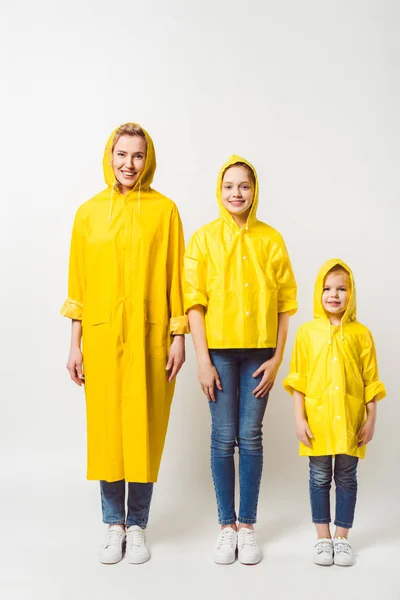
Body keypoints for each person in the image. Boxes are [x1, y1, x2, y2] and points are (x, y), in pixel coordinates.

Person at [61, 122, 188, 564]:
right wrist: (75, 344)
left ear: (147, 158)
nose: (129, 164)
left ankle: (138, 527)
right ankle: (112, 524)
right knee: (109, 432)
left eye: (137, 155)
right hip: (100, 338)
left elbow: (177, 278)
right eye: (121, 155)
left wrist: (178, 336)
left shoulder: (165, 211)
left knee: (145, 430)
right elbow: (78, 284)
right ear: (109, 155)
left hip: (149, 337)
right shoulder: (87, 213)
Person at [184, 155, 297, 564]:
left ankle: (247, 526)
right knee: (222, 436)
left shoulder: (272, 240)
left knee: (250, 437)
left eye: (244, 186)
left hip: (259, 354)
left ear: (255, 191)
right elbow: (193, 303)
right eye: (229, 186)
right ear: (219, 191)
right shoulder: (202, 240)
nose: (237, 193)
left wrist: (278, 358)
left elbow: (285, 304)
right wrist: (202, 360)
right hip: (218, 353)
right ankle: (225, 526)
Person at [283, 259, 386, 566]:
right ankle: (322, 537)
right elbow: (298, 380)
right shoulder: (307, 333)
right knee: (318, 478)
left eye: (342, 288)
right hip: (317, 422)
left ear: (351, 293)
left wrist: (371, 419)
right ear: (318, 292)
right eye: (327, 288)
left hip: (351, 423)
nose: (334, 295)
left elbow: (371, 380)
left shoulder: (361, 334)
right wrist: (299, 419)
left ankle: (342, 538)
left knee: (347, 479)